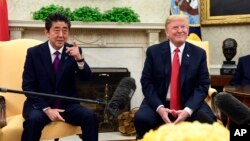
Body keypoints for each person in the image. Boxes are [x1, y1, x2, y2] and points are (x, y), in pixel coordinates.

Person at [134, 14, 216, 139]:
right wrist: (160, 108)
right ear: (167, 32)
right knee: (142, 119)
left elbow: (203, 85)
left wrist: (188, 110)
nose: (180, 30)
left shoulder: (198, 53)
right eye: (175, 27)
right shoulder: (153, 51)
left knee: (209, 121)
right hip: (159, 102)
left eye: (183, 27)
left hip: (189, 102)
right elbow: (146, 82)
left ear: (188, 30)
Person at [21, 13, 98, 141]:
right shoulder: (34, 53)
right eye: (56, 30)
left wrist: (79, 59)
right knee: (34, 120)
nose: (61, 35)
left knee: (90, 116)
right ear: (47, 32)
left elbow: (86, 78)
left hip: (67, 105)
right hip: (40, 105)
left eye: (65, 30)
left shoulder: (73, 51)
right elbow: (28, 86)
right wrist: (46, 109)